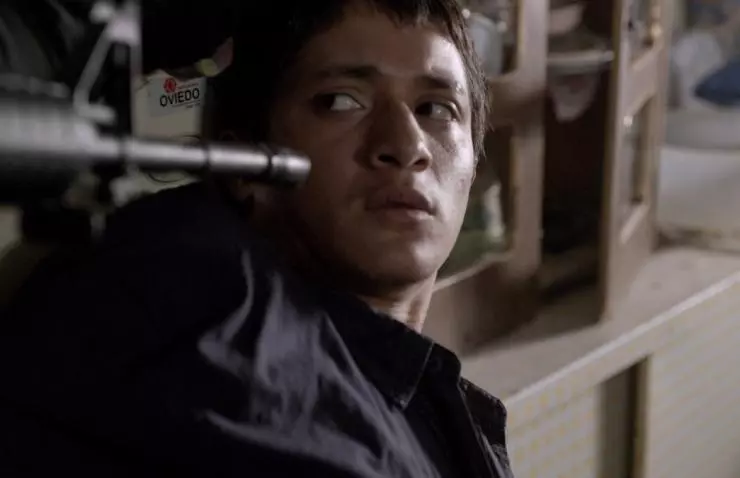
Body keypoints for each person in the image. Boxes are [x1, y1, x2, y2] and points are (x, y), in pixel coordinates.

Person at [0, 0, 514, 477]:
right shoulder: (199, 298)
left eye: (437, 109)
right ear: (245, 164)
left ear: (475, 159)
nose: (406, 145)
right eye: (340, 101)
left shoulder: (419, 395)